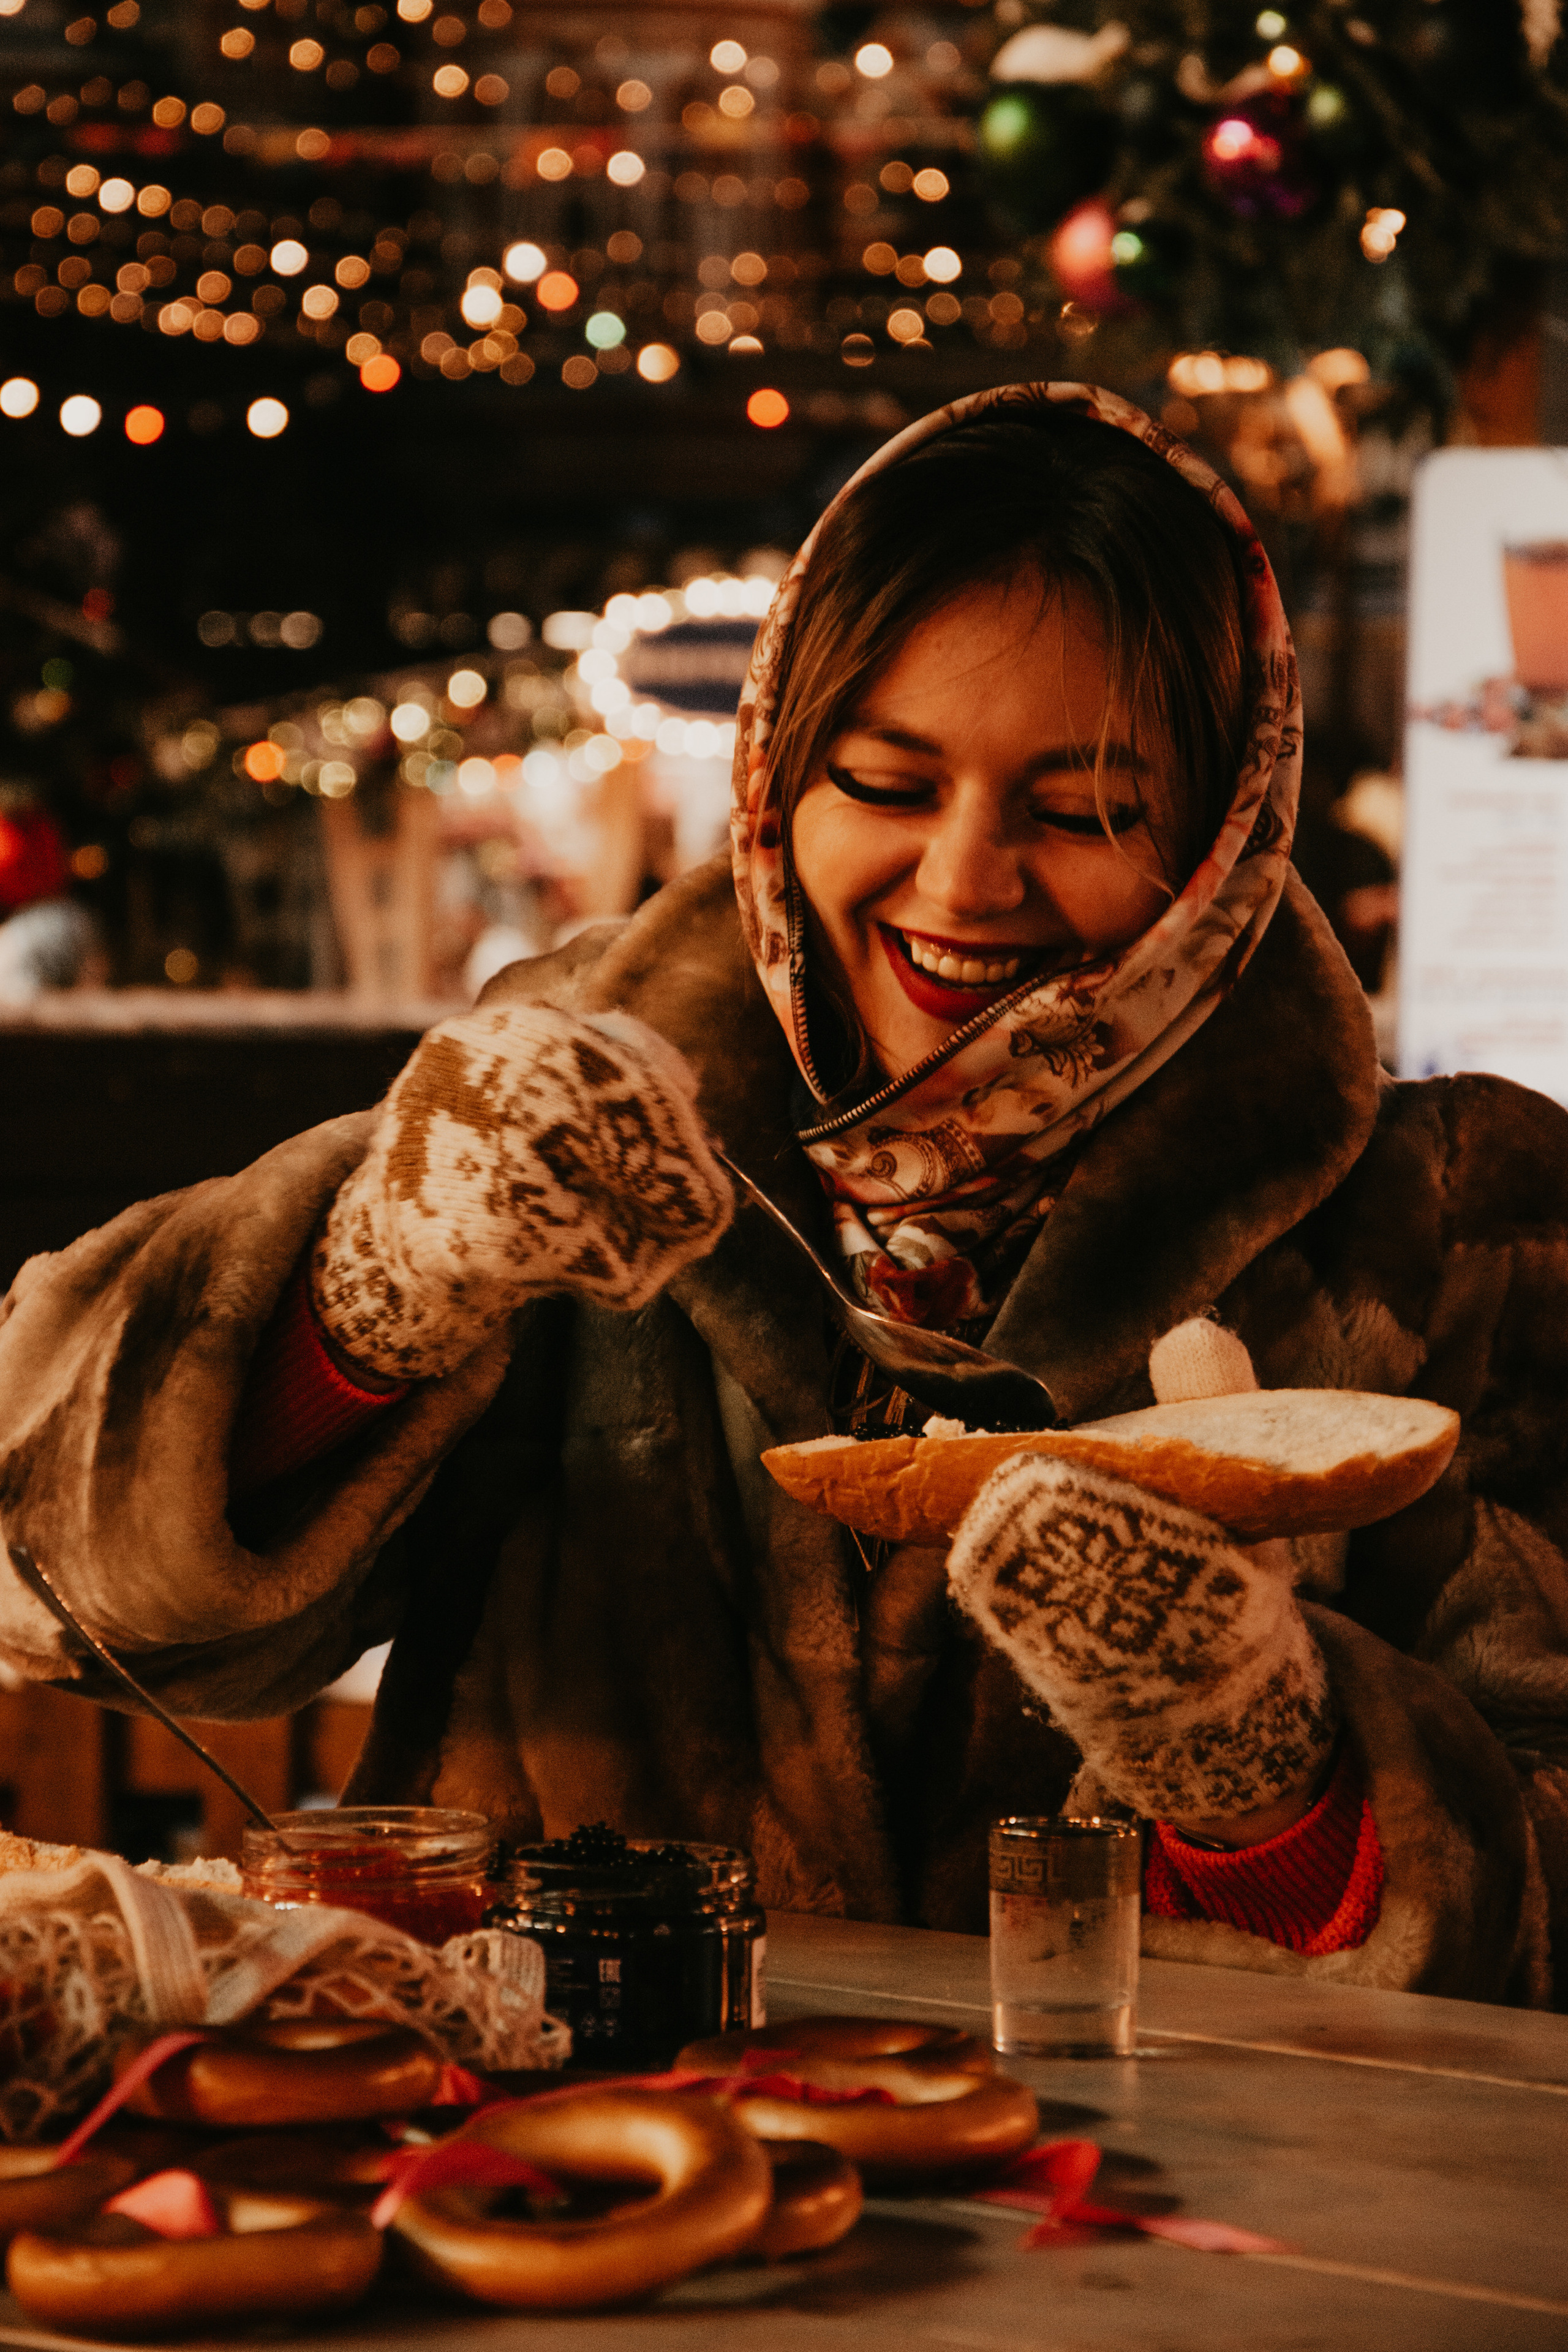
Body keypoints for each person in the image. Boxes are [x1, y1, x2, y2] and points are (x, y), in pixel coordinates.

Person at [1, 382, 1563, 2004]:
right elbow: (65, 1600)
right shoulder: (569, 1105)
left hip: (1191, 2169)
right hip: (572, 2132)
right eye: (886, 783)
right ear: (782, 775)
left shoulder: (1454, 1228)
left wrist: (1271, 1778)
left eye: (1081, 811)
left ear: (1227, 823)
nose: (963, 880)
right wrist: (365, 1299)